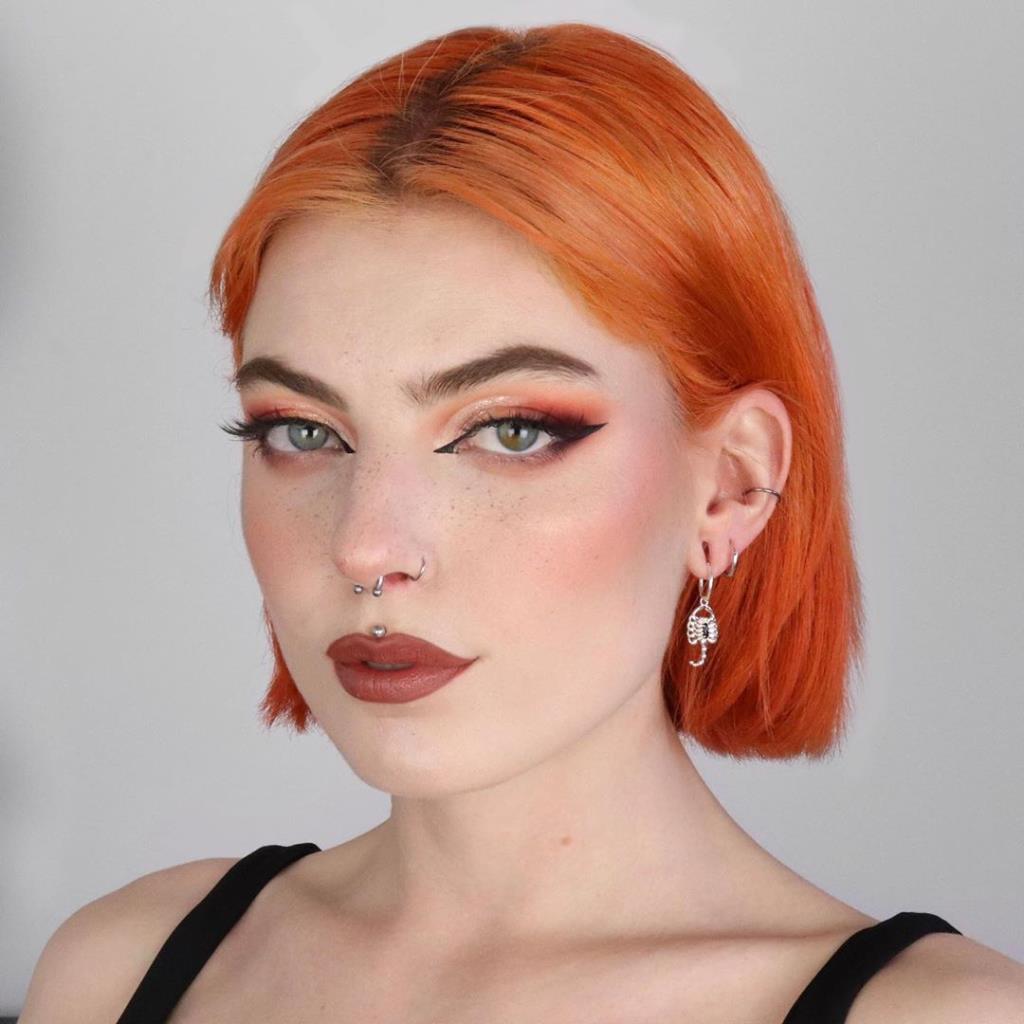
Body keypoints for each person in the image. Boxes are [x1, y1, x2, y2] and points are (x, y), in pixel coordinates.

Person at [20, 21, 1024, 1024]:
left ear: (730, 485)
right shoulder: (121, 971)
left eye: (510, 431)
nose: (366, 547)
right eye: (303, 431)